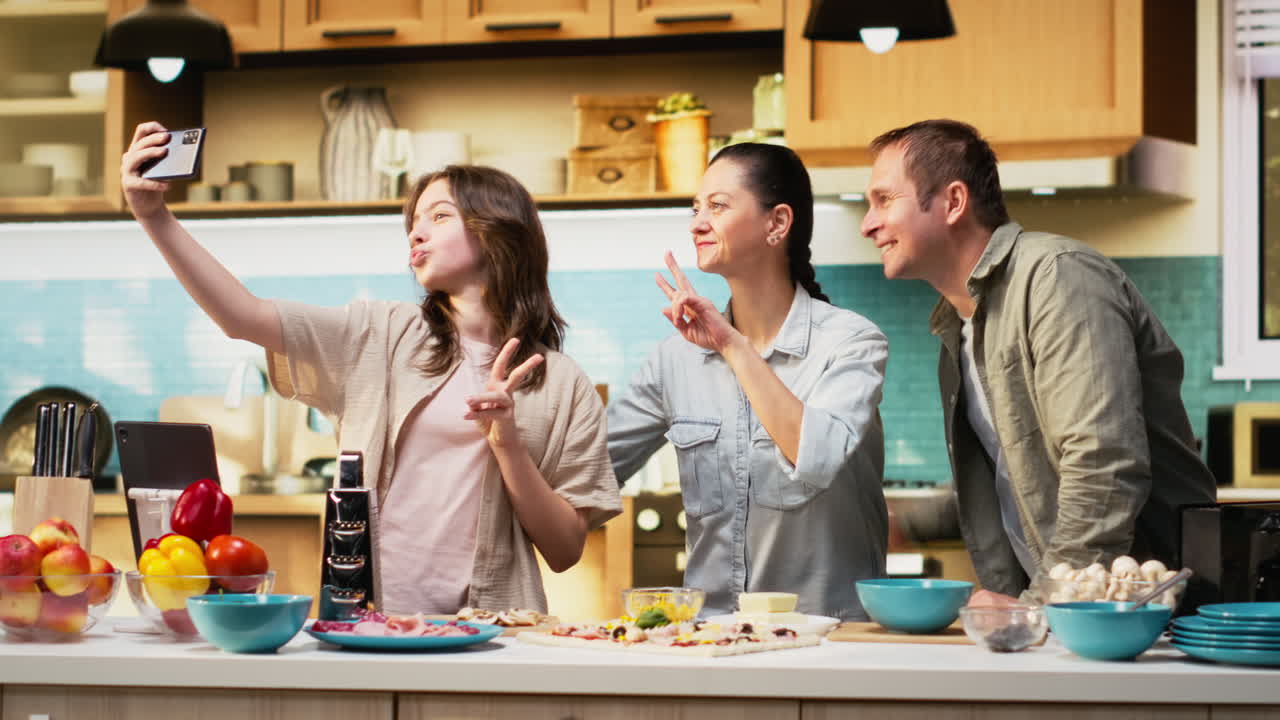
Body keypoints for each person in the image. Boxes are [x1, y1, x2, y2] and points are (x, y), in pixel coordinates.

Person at [121, 122, 622, 615]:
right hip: (367, 622)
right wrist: (154, 216)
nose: (416, 232)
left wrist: (507, 443)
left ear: (498, 232)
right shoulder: (377, 335)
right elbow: (241, 316)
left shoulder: (564, 384)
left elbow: (565, 550)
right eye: (414, 221)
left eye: (440, 216)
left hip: (492, 630)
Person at [859, 119, 1216, 606]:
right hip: (1083, 619)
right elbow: (1017, 475)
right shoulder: (959, 325)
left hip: (1152, 616)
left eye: (884, 200)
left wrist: (1038, 609)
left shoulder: (1058, 277)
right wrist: (908, 522)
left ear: (954, 202)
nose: (868, 224)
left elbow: (1103, 466)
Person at [607, 143, 890, 620]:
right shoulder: (674, 360)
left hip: (825, 638)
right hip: (710, 638)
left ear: (777, 222)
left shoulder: (851, 342)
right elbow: (588, 473)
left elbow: (816, 457)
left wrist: (732, 346)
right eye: (695, 209)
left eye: (717, 206)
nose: (698, 223)